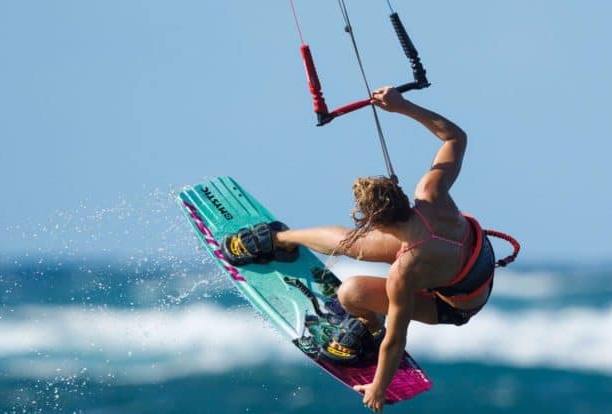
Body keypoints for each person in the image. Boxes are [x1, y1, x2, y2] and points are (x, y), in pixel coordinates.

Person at [221, 86, 517, 412]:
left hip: (454, 303)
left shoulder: (405, 271)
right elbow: (456, 138)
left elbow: (396, 339)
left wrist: (379, 387)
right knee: (355, 244)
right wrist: (402, 105)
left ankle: (368, 327)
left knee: (352, 294)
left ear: (377, 221)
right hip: (449, 250)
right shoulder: (430, 193)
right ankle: (281, 239)